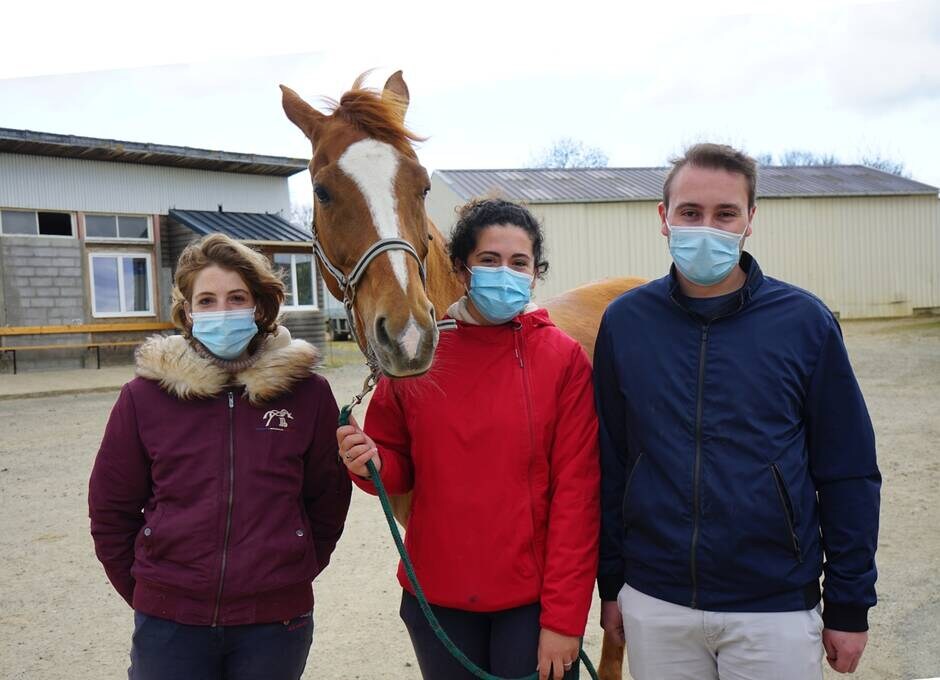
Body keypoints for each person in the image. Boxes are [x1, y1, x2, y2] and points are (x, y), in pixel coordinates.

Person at [594, 143, 881, 680]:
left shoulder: (805, 323)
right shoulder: (626, 324)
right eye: (690, 213)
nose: (707, 227)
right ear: (664, 218)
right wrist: (612, 586)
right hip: (657, 603)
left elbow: (849, 473)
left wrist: (848, 605)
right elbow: (611, 463)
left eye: (725, 213)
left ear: (750, 219)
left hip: (773, 607)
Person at [337, 198, 600, 680]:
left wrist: (564, 621)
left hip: (531, 604)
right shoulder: (420, 355)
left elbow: (577, 498)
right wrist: (369, 461)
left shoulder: (563, 360)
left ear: (535, 273)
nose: (506, 272)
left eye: (519, 262)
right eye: (489, 260)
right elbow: (394, 468)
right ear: (461, 269)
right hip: (436, 601)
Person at [88, 233, 351, 680]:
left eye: (236, 298)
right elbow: (110, 509)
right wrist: (153, 592)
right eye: (206, 300)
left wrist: (290, 570)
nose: (221, 311)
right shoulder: (143, 397)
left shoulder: (309, 395)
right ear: (188, 311)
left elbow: (327, 500)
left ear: (260, 307)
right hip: (169, 624)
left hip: (275, 624)